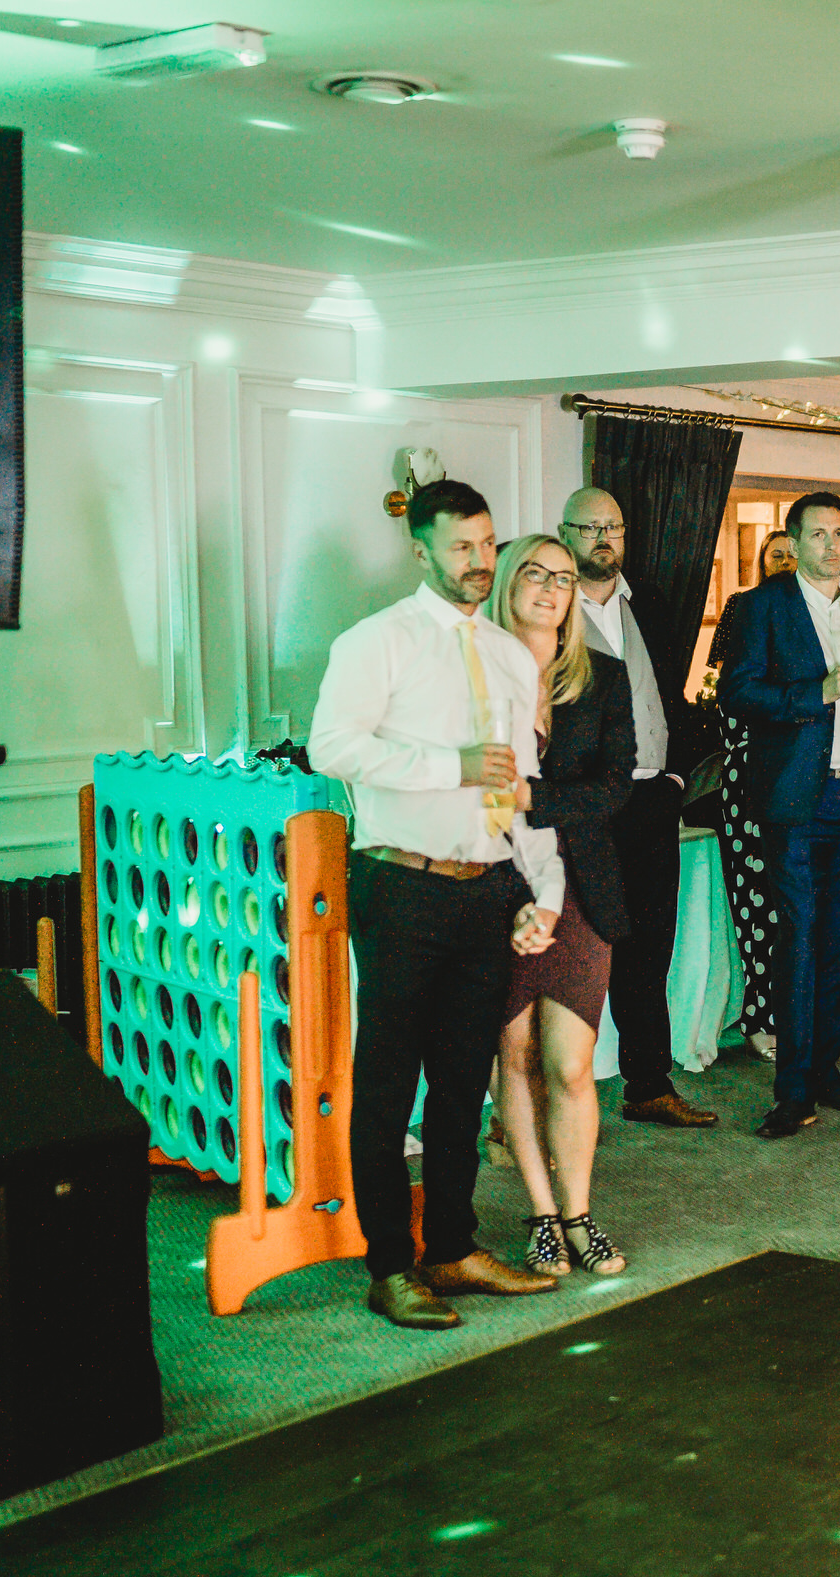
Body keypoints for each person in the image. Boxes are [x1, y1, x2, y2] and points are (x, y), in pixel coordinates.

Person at [309, 478, 567, 1329]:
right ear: (420, 548)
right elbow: (331, 747)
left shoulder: (509, 653)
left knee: (465, 1082)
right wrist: (445, 765)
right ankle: (390, 1266)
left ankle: (452, 1248)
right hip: (402, 882)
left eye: (489, 545)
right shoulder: (375, 640)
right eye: (462, 546)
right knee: (387, 1083)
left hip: (486, 885)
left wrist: (541, 890)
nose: (480, 562)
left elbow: (517, 786)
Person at [720, 491, 840, 1139]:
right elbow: (737, 691)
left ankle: (826, 1074)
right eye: (818, 534)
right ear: (793, 542)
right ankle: (791, 1092)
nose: (831, 544)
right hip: (799, 796)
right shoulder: (762, 606)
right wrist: (812, 693)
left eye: (839, 533)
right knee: (798, 939)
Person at [486, 534, 631, 1279]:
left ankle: (579, 1213)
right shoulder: (472, 670)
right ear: (509, 581)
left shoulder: (602, 677)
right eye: (536, 574)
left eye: (564, 578)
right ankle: (543, 1214)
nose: (549, 588)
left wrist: (537, 797)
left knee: (570, 1065)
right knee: (513, 1056)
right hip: (490, 884)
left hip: (580, 886)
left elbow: (617, 785)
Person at [557, 486, 716, 1130]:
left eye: (614, 528)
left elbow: (672, 694)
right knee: (578, 952)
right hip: (584, 809)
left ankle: (648, 1085)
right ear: (565, 534)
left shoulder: (645, 602)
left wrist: (676, 779)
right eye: (590, 527)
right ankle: (552, 1092)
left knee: (651, 948)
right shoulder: (548, 609)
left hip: (652, 798)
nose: (604, 538)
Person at [706, 529, 796, 1062]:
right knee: (757, 904)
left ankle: (797, 1012)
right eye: (776, 555)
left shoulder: (811, 615)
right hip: (751, 776)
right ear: (763, 563)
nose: (785, 561)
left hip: (805, 778)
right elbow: (726, 695)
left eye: (791, 554)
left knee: (796, 905)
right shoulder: (743, 608)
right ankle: (760, 1014)